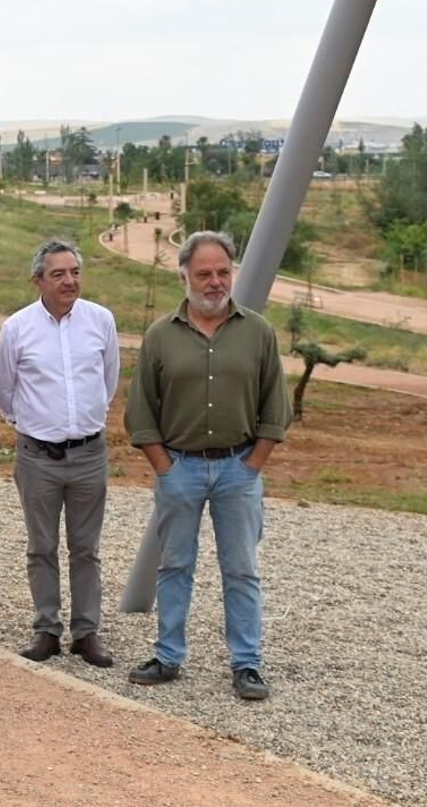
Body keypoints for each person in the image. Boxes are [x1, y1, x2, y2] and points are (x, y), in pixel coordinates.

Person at [125, 230, 291, 701]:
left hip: (240, 469)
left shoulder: (258, 332)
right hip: (180, 469)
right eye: (204, 273)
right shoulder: (160, 337)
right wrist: (165, 468)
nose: (215, 282)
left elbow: (275, 407)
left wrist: (253, 465)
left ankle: (247, 664)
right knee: (175, 566)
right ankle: (168, 656)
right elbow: (141, 412)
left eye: (223, 271)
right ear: (185, 277)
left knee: (241, 569)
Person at [0, 238, 120, 667]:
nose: (69, 281)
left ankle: (87, 633)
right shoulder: (17, 328)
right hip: (38, 457)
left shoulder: (101, 321)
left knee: (87, 548)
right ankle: (46, 629)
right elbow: (3, 392)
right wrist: (33, 426)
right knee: (41, 546)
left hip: (88, 455)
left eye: (75, 272)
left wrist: (82, 423)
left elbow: (109, 382)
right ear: (38, 280)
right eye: (59, 274)